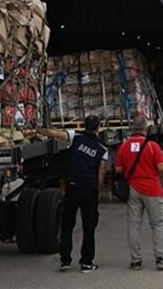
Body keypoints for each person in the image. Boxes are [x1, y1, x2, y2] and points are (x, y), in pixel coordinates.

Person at [35, 116, 108, 272]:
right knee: (89, 227)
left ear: (84, 126)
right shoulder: (103, 148)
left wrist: (40, 130)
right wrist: (98, 191)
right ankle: (86, 262)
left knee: (67, 224)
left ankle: (65, 260)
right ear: (98, 128)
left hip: (73, 186)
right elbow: (101, 172)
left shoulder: (76, 136)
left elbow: (56, 134)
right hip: (89, 189)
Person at [114, 115, 163, 271]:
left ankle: (136, 260)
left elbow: (118, 169)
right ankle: (161, 258)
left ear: (132, 129)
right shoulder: (152, 146)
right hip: (152, 189)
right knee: (158, 225)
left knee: (134, 225)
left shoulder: (124, 146)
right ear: (146, 129)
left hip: (133, 189)